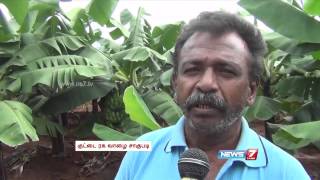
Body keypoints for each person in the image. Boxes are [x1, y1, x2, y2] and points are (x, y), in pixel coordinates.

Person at [115, 11, 310, 180]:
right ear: (175, 83)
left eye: (226, 71)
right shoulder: (140, 154)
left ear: (251, 91)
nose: (206, 84)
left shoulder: (285, 172)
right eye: (192, 69)